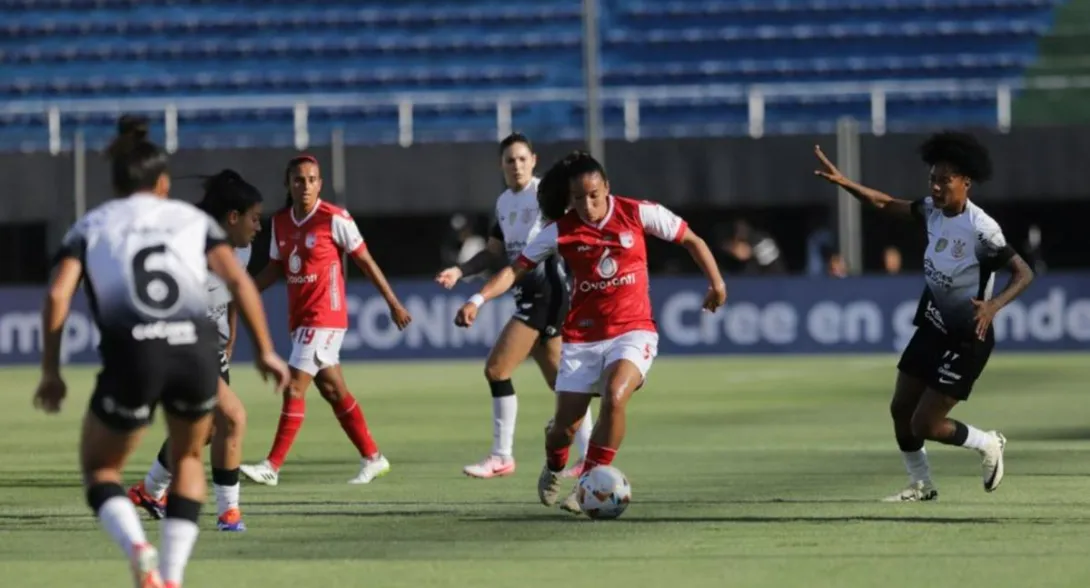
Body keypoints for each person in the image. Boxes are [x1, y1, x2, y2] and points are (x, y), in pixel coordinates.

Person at [33, 115, 289, 588]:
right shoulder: (191, 221)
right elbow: (238, 282)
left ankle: (136, 546)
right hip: (193, 349)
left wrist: (51, 370)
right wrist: (266, 351)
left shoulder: (92, 224)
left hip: (133, 351)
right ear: (164, 182)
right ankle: (171, 574)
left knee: (99, 467)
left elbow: (56, 296)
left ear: (114, 181)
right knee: (191, 456)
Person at [454, 151, 727, 513]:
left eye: (594, 195)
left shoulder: (637, 212)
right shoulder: (561, 231)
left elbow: (692, 239)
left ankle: (589, 483)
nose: (587, 204)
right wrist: (477, 298)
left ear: (607, 188)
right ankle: (554, 467)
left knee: (615, 396)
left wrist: (717, 284)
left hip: (634, 331)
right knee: (563, 429)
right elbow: (516, 269)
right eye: (578, 198)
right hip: (582, 339)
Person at [813, 131, 1035, 502]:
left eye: (944, 179)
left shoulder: (982, 229)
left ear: (966, 182)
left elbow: (1023, 272)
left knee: (925, 423)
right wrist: (846, 183)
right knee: (900, 408)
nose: (935, 186)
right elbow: (885, 204)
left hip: (967, 336)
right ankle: (921, 484)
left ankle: (988, 443)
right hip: (933, 325)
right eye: (932, 178)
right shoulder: (932, 212)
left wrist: (993, 306)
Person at [240, 154, 412, 486]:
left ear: (321, 183)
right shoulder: (280, 222)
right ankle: (373, 458)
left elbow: (366, 261)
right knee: (333, 390)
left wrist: (393, 303)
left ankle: (272, 466)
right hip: (300, 318)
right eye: (298, 180)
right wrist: (243, 290)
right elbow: (276, 268)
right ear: (288, 184)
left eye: (312, 179)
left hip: (326, 316)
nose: (305, 185)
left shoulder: (335, 218)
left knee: (293, 387)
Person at [436, 133, 593, 479]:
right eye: (510, 160)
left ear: (533, 160)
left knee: (497, 369)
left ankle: (501, 456)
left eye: (523, 159)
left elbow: (571, 233)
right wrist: (460, 271)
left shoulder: (546, 198)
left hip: (548, 295)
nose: (517, 165)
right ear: (501, 165)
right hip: (527, 296)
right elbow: (494, 253)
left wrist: (478, 299)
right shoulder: (504, 204)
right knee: (565, 384)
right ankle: (590, 456)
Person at [127, 170, 264, 533]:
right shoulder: (186, 249)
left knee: (203, 431)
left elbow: (235, 289)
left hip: (210, 348)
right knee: (232, 418)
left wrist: (231, 333)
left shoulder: (242, 250)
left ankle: (149, 491)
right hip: (177, 347)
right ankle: (228, 513)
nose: (258, 227)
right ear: (232, 217)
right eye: (254, 218)